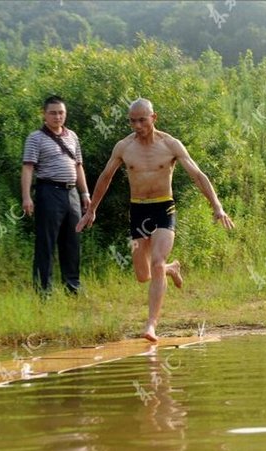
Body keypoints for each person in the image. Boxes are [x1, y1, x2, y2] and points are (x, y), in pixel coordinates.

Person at [76, 98, 234, 342]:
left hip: (164, 208)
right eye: (132, 121)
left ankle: (151, 325)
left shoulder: (170, 144)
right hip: (138, 211)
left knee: (157, 262)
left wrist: (217, 206)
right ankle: (172, 269)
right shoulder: (123, 147)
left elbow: (197, 174)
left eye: (142, 120)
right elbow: (106, 177)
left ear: (154, 118)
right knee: (142, 274)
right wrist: (91, 210)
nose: (137, 125)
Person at [21, 95, 91, 294]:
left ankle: (73, 286)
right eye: (53, 113)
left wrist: (85, 193)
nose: (57, 117)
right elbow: (27, 169)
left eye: (61, 113)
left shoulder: (73, 136)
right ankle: (44, 290)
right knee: (46, 241)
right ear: (44, 114)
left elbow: (78, 167)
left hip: (72, 193)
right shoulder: (35, 138)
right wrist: (26, 197)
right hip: (48, 191)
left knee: (72, 240)